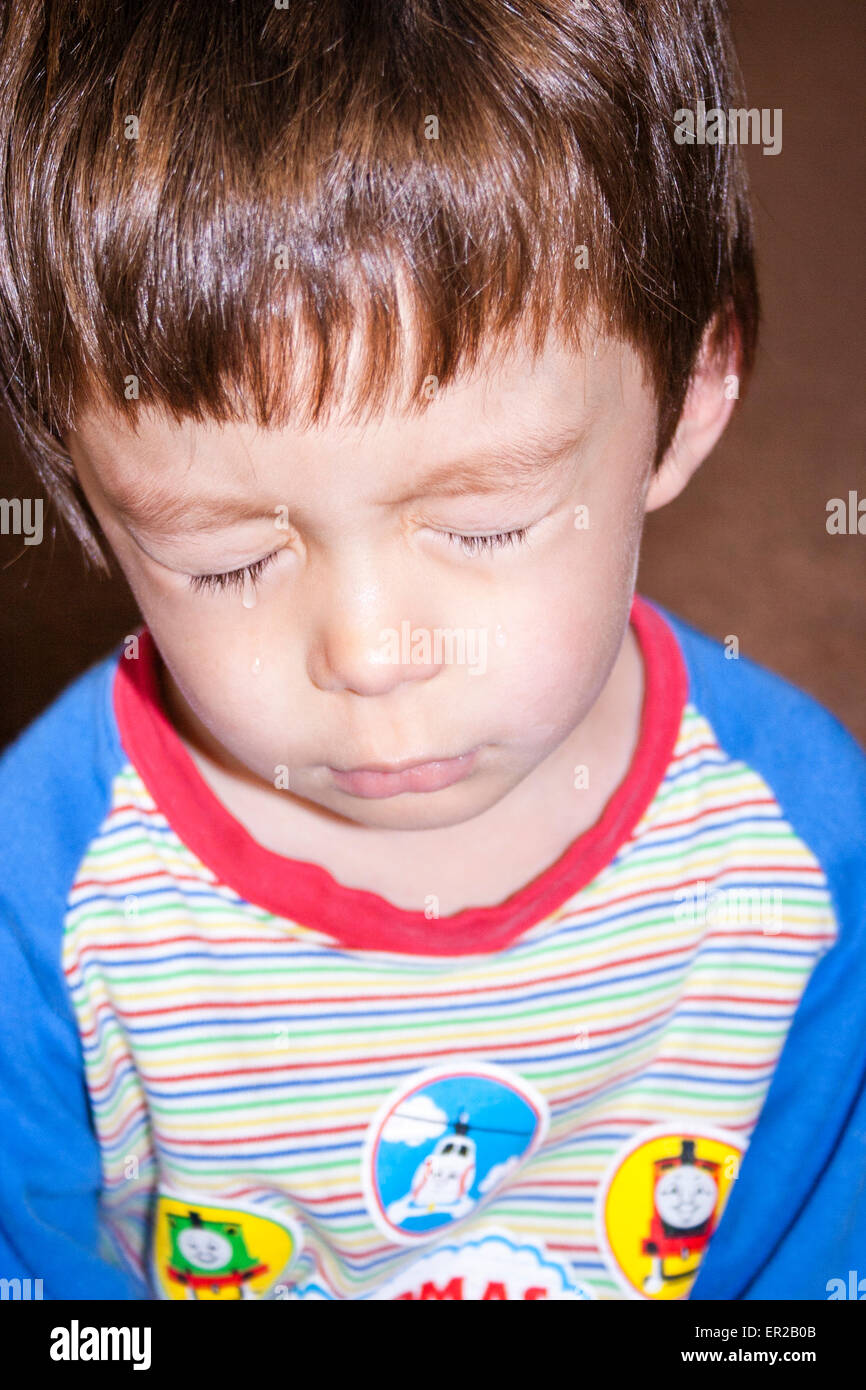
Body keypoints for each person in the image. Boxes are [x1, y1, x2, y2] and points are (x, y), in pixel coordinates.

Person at [0, 0, 863, 1302]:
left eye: (483, 523)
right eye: (225, 557)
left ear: (689, 393)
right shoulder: (49, 892)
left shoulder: (800, 855)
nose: (368, 651)